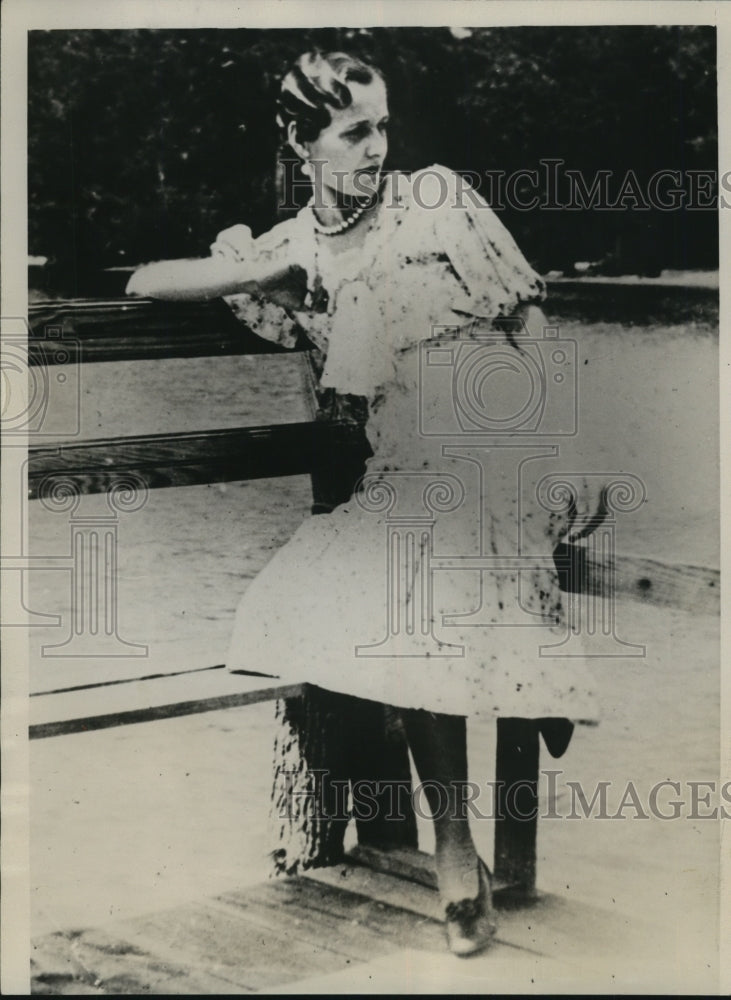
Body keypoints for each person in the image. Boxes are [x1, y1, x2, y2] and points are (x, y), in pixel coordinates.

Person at [127, 50, 597, 957]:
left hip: (498, 442)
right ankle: (528, 705)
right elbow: (144, 281)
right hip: (407, 473)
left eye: (382, 126)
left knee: (413, 578)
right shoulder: (295, 247)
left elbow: (526, 320)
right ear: (298, 140)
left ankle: (459, 845)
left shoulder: (437, 199)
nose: (376, 148)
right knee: (370, 592)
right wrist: (256, 272)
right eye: (353, 132)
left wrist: (570, 452)